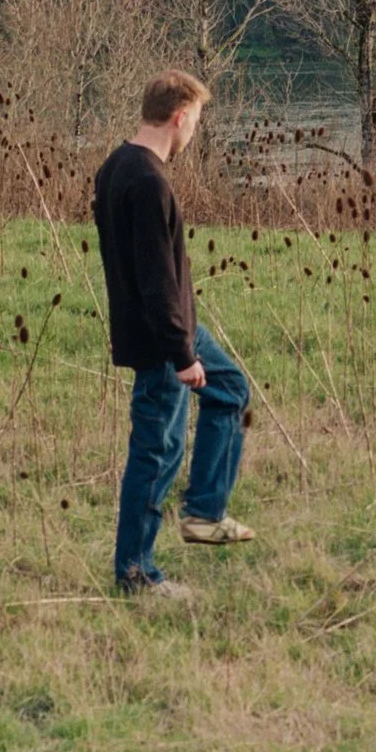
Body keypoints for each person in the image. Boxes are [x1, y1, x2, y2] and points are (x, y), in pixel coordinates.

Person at [94, 70, 254, 598]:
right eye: (196, 121)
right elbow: (155, 277)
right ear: (180, 115)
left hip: (172, 328)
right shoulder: (148, 181)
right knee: (156, 453)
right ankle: (137, 574)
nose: (194, 133)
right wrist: (181, 353)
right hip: (162, 338)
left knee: (229, 388)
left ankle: (204, 513)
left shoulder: (117, 165)